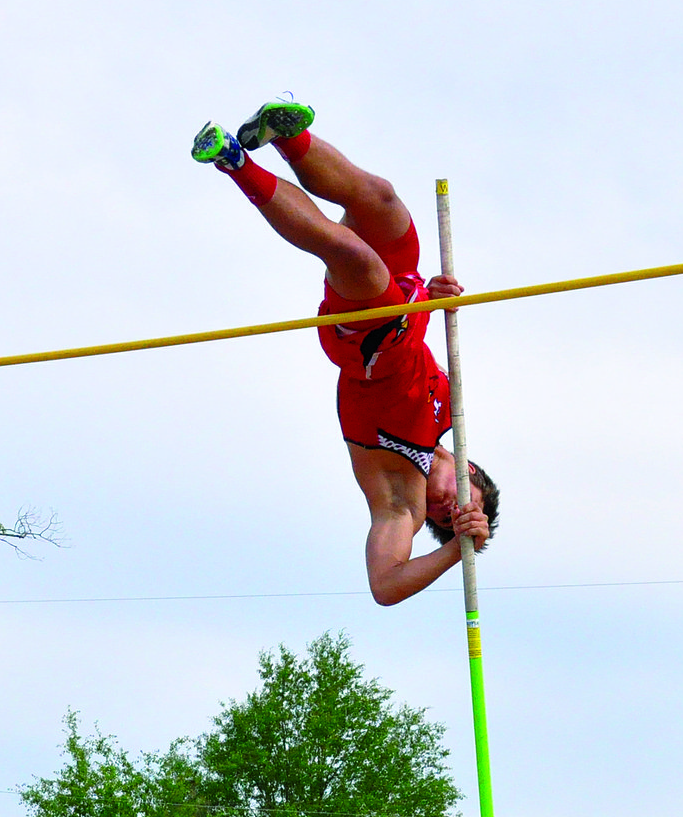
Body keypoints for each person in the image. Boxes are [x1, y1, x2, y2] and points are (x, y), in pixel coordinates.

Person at [191, 98, 499, 604]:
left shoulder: (402, 500)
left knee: (353, 256)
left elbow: (385, 586)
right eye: (459, 499)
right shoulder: (449, 404)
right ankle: (281, 135)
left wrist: (457, 548)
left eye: (444, 517)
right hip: (403, 308)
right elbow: (416, 338)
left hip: (368, 349)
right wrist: (428, 295)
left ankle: (232, 160)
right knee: (380, 200)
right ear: (467, 469)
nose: (444, 505)